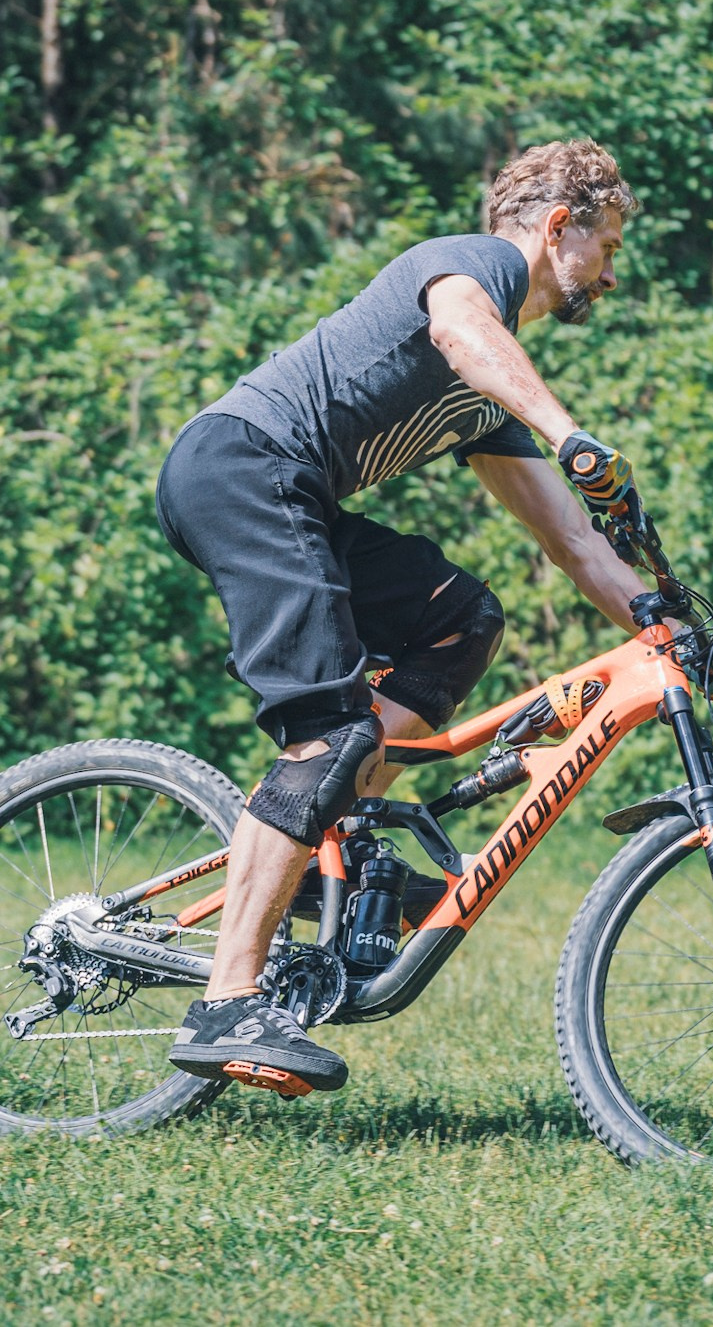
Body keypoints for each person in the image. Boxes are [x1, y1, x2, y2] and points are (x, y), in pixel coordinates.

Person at [152, 140, 656, 1094]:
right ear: (559, 228)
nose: (613, 270)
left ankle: (331, 824)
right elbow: (464, 337)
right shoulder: (473, 270)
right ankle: (227, 999)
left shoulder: (493, 393)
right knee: (330, 729)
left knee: (461, 620)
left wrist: (665, 621)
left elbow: (576, 546)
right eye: (609, 242)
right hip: (243, 468)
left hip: (284, 489)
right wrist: (572, 433)